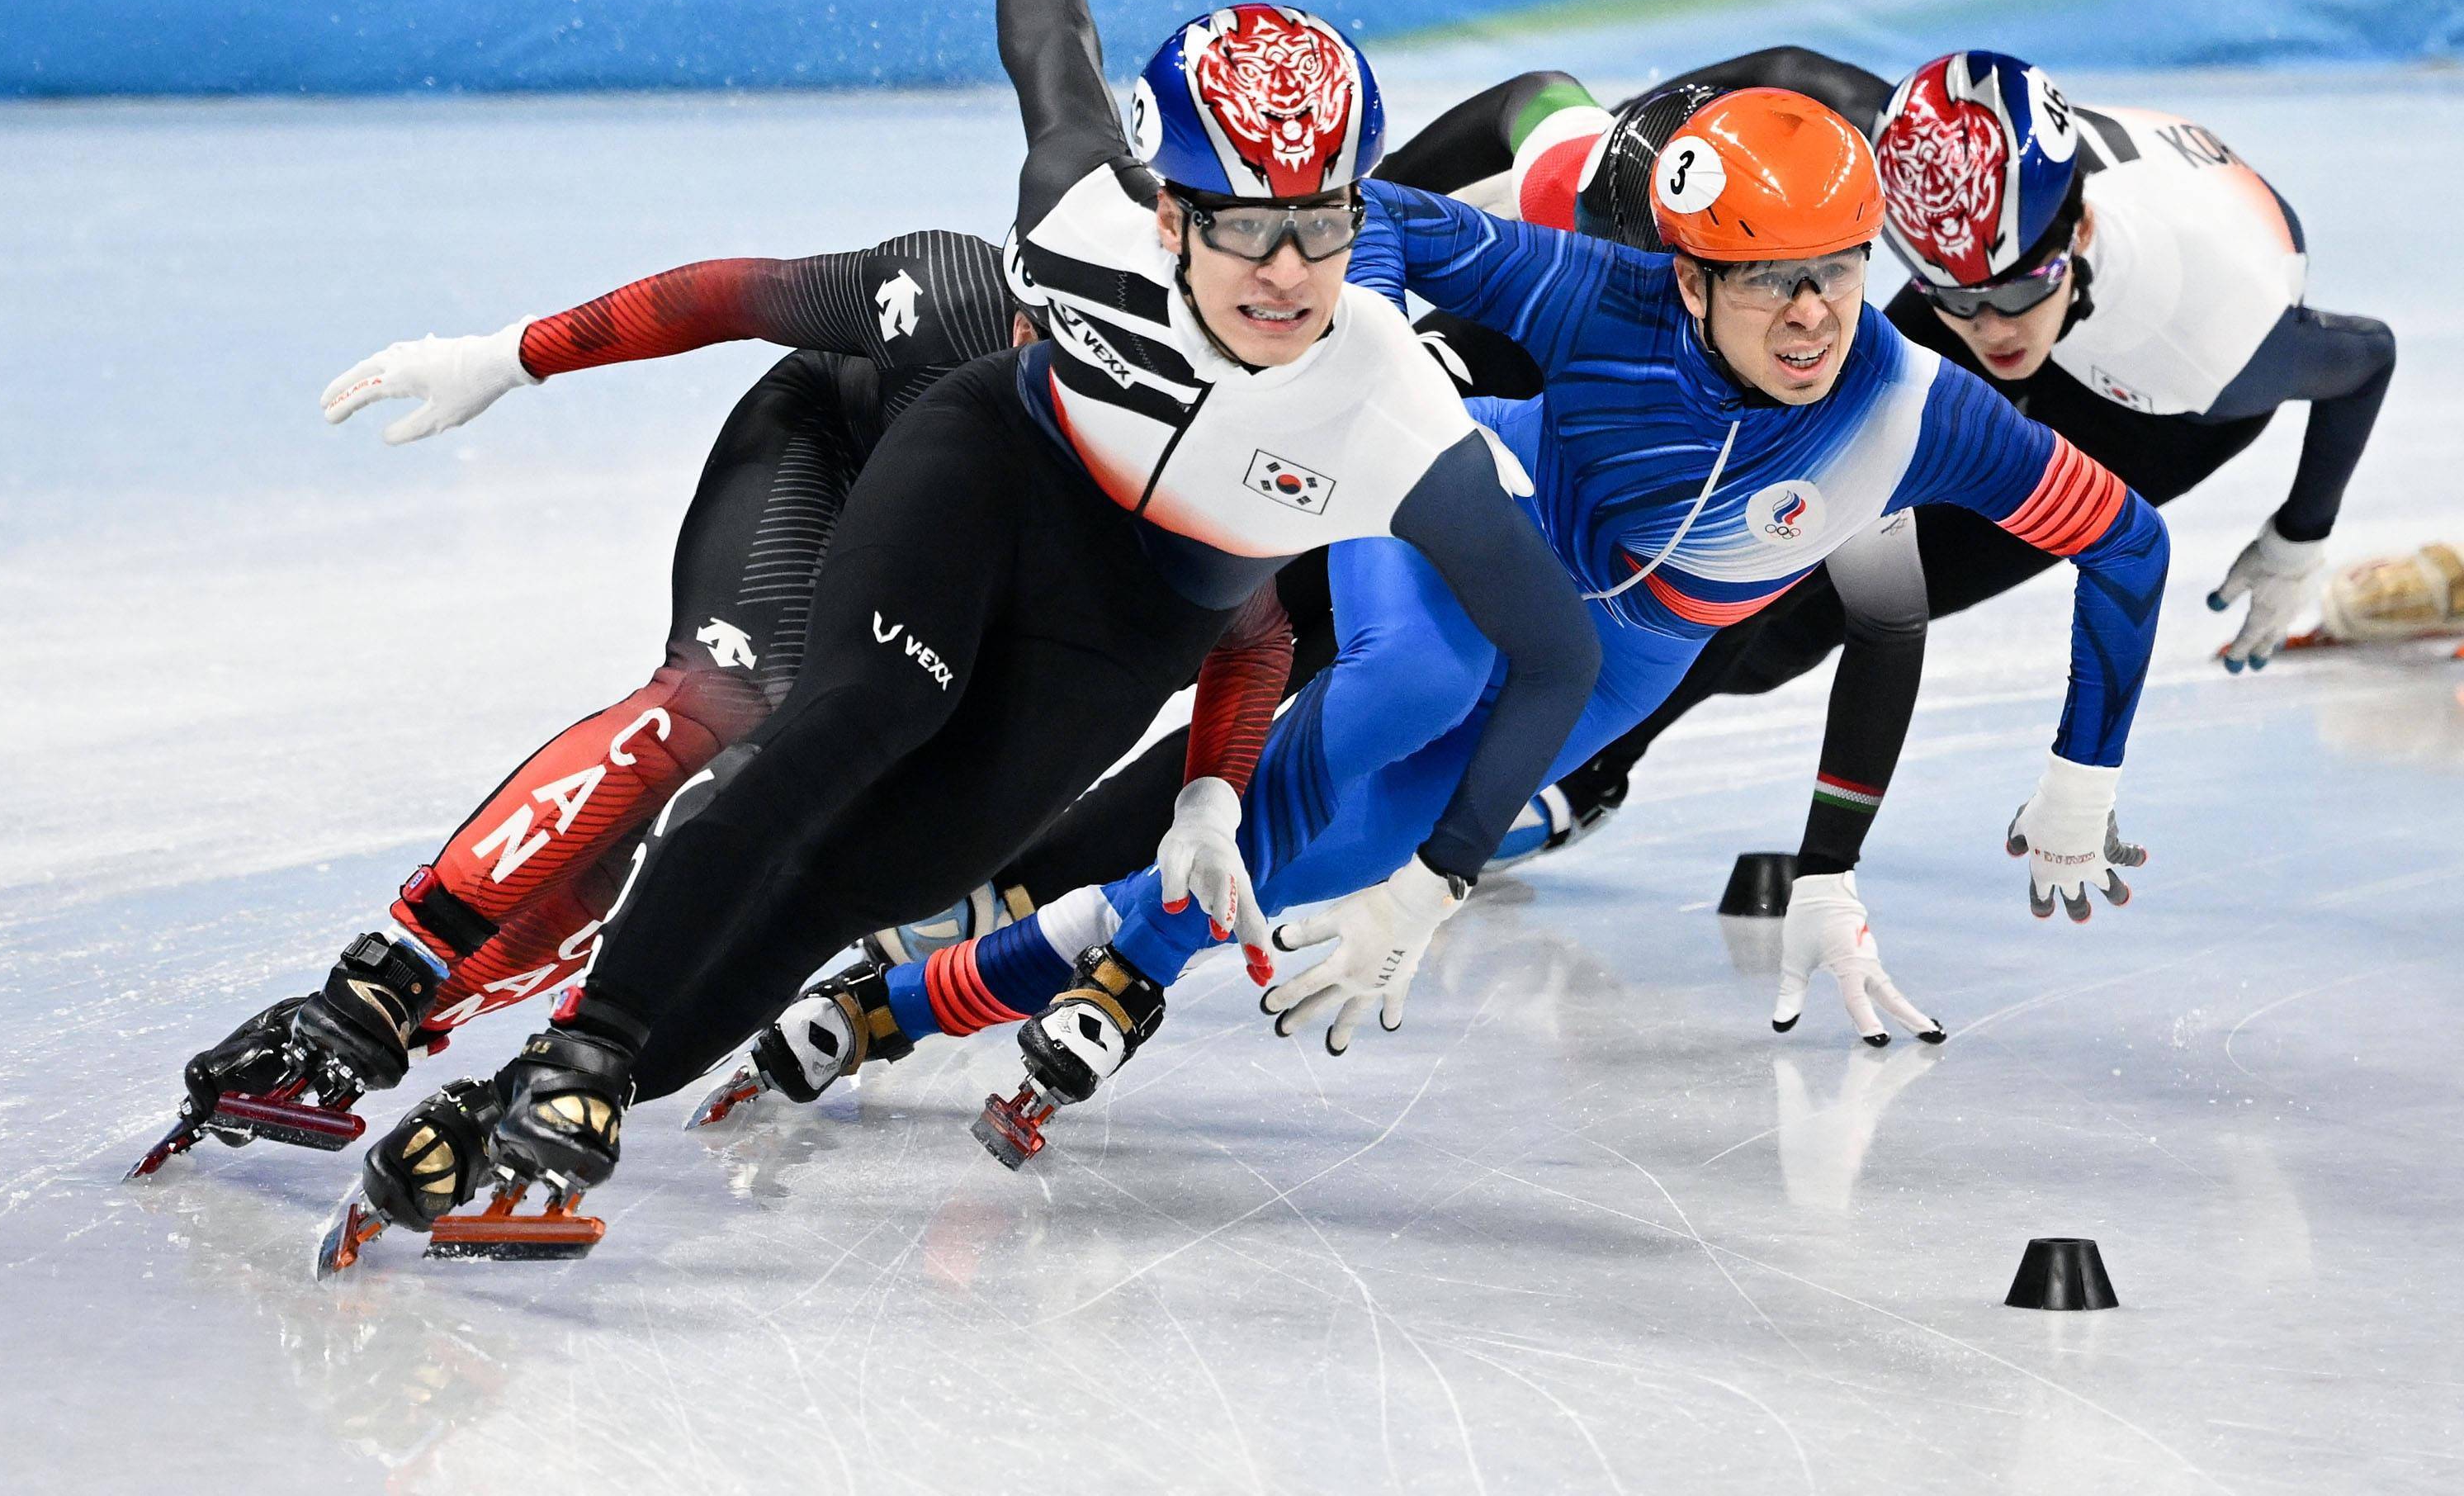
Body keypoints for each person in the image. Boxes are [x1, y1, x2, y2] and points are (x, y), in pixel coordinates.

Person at [329, 0, 1600, 1255]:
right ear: (1169, 211)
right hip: (982, 473)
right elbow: (1044, 59)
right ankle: (591, 1045)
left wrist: (1393, 856)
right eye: (1245, 225)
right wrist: (505, 354)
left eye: (1325, 223)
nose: (1290, 272)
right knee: (866, 715)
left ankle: (543, 1095)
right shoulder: (1080, 220)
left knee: (868, 880)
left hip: (1120, 627)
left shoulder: (1394, 413)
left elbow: (1552, 656)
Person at [803, 65, 2179, 1149]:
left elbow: (2131, 543)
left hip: (1620, 667)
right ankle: (1089, 939)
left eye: (1835, 269)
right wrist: (1399, 384)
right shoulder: (1605, 291)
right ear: (1693, 278)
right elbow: (1385, 215)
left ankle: (903, 1004)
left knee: (1323, 872)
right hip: (1478, 525)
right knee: (1415, 680)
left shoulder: (1924, 416)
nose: (1812, 313)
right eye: (1768, 279)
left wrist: (2079, 778)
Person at [133, 226, 1031, 1176]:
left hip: (934, 555)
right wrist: (506, 355)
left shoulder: (1170, 454)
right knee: (721, 700)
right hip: (828, 453)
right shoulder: (946, 289)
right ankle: (391, 968)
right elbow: (720, 296)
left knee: (754, 803)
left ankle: (464, 1013)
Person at [1558, 51, 2395, 871]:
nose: (1995, 329)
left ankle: (1581, 753)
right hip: (2045, 285)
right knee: (1772, 532)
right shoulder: (1936, 172)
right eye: (1962, 301)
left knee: (1818, 618)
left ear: (2083, 230)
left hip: (2155, 408)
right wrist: (1618, 152)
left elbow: (2368, 357)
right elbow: (1790, 70)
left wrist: (2300, 532)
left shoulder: (2215, 343)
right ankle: (1582, 759)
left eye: (2017, 293)